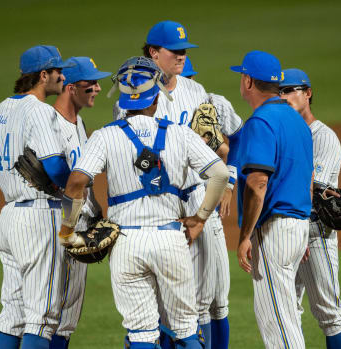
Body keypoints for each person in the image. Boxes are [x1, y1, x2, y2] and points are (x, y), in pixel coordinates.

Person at [59, 56, 229, 348]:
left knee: (140, 333)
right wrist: (200, 218)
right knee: (187, 328)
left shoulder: (104, 136)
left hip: (126, 243)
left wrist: (68, 230)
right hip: (171, 239)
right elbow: (220, 174)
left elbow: (76, 183)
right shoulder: (179, 133)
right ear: (157, 98)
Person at [112, 22, 240, 349]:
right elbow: (125, 151)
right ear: (154, 53)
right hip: (155, 207)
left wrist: (223, 167)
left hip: (197, 200)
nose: (181, 56)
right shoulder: (133, 95)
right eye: (175, 51)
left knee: (204, 300)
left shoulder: (194, 91)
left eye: (185, 51)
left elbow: (217, 148)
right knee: (155, 303)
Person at [0, 45, 75, 349]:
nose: (62, 76)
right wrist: (68, 187)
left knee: (12, 314)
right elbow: (53, 165)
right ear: (43, 75)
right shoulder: (40, 111)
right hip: (39, 217)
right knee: (42, 317)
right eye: (58, 71)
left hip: (9, 217)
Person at [231, 51, 313, 349]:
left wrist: (244, 237)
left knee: (277, 321)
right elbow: (308, 177)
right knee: (287, 316)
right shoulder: (297, 120)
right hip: (298, 226)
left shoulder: (262, 121)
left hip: (275, 231)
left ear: (248, 80)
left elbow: (258, 182)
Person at [280, 68, 341, 349]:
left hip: (315, 232)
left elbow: (307, 185)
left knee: (329, 313)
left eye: (290, 90)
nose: (284, 96)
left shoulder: (323, 137)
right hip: (287, 231)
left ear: (307, 93)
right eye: (280, 91)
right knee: (287, 313)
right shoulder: (285, 135)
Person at [181, 56, 244, 349]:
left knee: (219, 301)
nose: (189, 84)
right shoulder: (158, 108)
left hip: (210, 214)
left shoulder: (212, 102)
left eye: (191, 78)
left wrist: (230, 181)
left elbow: (239, 141)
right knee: (196, 301)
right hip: (179, 210)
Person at [48, 56, 110, 349]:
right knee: (54, 315)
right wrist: (67, 232)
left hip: (77, 225)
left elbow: (85, 180)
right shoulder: (50, 125)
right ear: (71, 87)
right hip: (62, 228)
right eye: (91, 83)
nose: (98, 88)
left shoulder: (79, 122)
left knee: (66, 313)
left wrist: (96, 212)